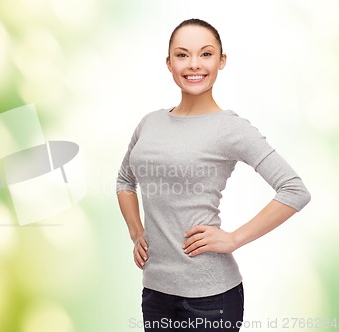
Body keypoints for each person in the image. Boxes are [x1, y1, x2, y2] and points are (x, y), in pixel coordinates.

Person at [115, 18, 311, 332]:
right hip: (155, 290)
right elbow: (125, 180)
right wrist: (136, 231)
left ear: (221, 61)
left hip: (211, 298)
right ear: (169, 63)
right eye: (182, 55)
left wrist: (233, 239)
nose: (194, 64)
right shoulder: (149, 123)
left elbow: (294, 190)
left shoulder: (230, 128)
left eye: (205, 54)